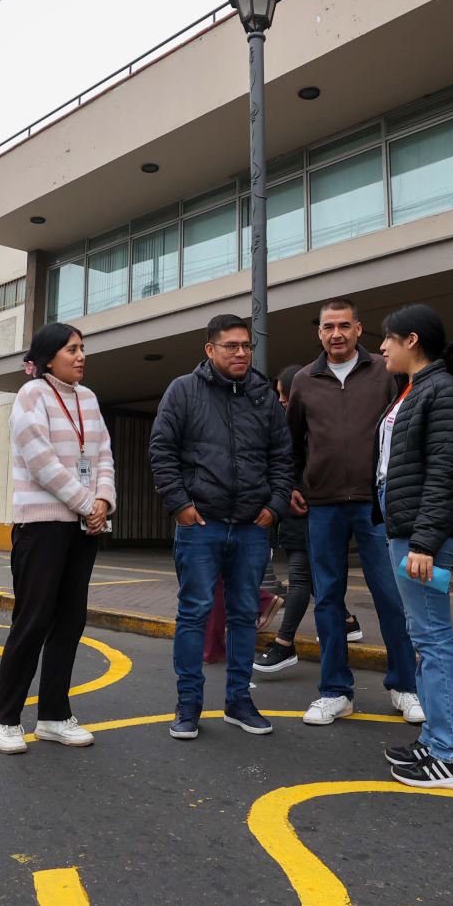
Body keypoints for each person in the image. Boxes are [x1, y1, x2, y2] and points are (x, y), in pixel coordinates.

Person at [149, 313, 292, 740]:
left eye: (246, 345)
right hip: (201, 524)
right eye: (231, 346)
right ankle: (188, 705)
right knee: (193, 614)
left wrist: (275, 506)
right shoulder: (183, 391)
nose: (241, 353)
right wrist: (180, 506)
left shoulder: (263, 397)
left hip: (251, 526)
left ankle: (238, 702)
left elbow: (282, 458)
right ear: (210, 350)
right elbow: (162, 450)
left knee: (246, 616)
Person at [283, 299, 422, 727]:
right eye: (329, 327)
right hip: (323, 505)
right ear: (319, 333)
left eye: (345, 325)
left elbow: (404, 427)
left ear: (360, 330)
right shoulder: (305, 381)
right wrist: (293, 484)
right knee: (327, 599)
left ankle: (405, 687)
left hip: (375, 502)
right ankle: (335, 691)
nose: (336, 334)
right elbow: (292, 441)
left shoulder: (386, 372)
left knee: (392, 597)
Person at [0, 324, 115, 755]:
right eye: (72, 349)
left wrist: (103, 502)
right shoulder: (32, 395)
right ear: (47, 357)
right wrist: (85, 501)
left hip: (83, 526)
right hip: (41, 527)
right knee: (33, 620)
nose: (81, 356)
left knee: (70, 620)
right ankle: (4, 718)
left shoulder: (90, 398)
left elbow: (102, 456)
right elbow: (40, 460)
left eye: (83, 349)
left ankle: (54, 716)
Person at [373, 305, 453, 790]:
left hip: (422, 535)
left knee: (433, 639)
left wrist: (424, 542)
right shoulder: (415, 391)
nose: (381, 348)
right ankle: (438, 739)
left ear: (411, 340)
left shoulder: (443, 392)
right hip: (409, 530)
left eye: (388, 339)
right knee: (426, 637)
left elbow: (443, 471)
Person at [253, 364, 361, 676]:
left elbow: (287, 466)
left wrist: (290, 491)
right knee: (316, 578)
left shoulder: (296, 427)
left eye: (283, 394)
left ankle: (285, 644)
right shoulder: (308, 422)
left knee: (301, 579)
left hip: (305, 510)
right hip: (308, 510)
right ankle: (347, 621)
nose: (281, 400)